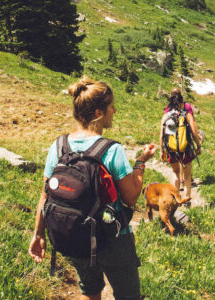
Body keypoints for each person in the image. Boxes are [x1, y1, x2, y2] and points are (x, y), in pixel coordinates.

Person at [29, 76, 156, 300]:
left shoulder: (58, 146)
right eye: (111, 107)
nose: (114, 111)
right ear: (98, 113)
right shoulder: (111, 150)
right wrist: (140, 162)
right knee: (128, 294)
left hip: (73, 234)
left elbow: (45, 194)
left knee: (90, 289)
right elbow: (131, 198)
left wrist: (39, 234)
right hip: (112, 238)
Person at [160, 90, 201, 199]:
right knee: (187, 176)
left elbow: (161, 135)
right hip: (185, 148)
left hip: (171, 149)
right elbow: (193, 132)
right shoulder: (186, 114)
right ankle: (187, 198)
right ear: (181, 100)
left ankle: (176, 198)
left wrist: (162, 150)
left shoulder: (166, 115)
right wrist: (198, 145)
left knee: (176, 173)